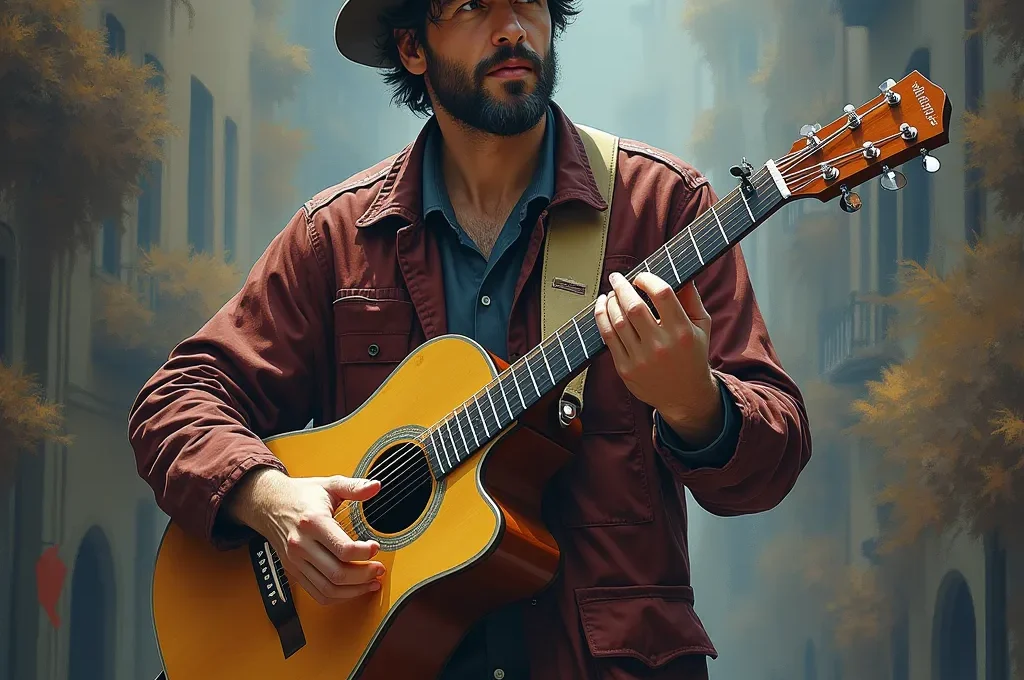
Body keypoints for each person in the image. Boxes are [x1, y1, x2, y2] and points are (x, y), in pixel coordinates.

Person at [127, 1, 812, 678]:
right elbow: (176, 401)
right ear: (412, 48)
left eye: (528, 3)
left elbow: (771, 463)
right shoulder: (336, 238)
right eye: (473, 5)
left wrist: (696, 405)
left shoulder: (663, 207)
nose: (512, 28)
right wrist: (270, 500)